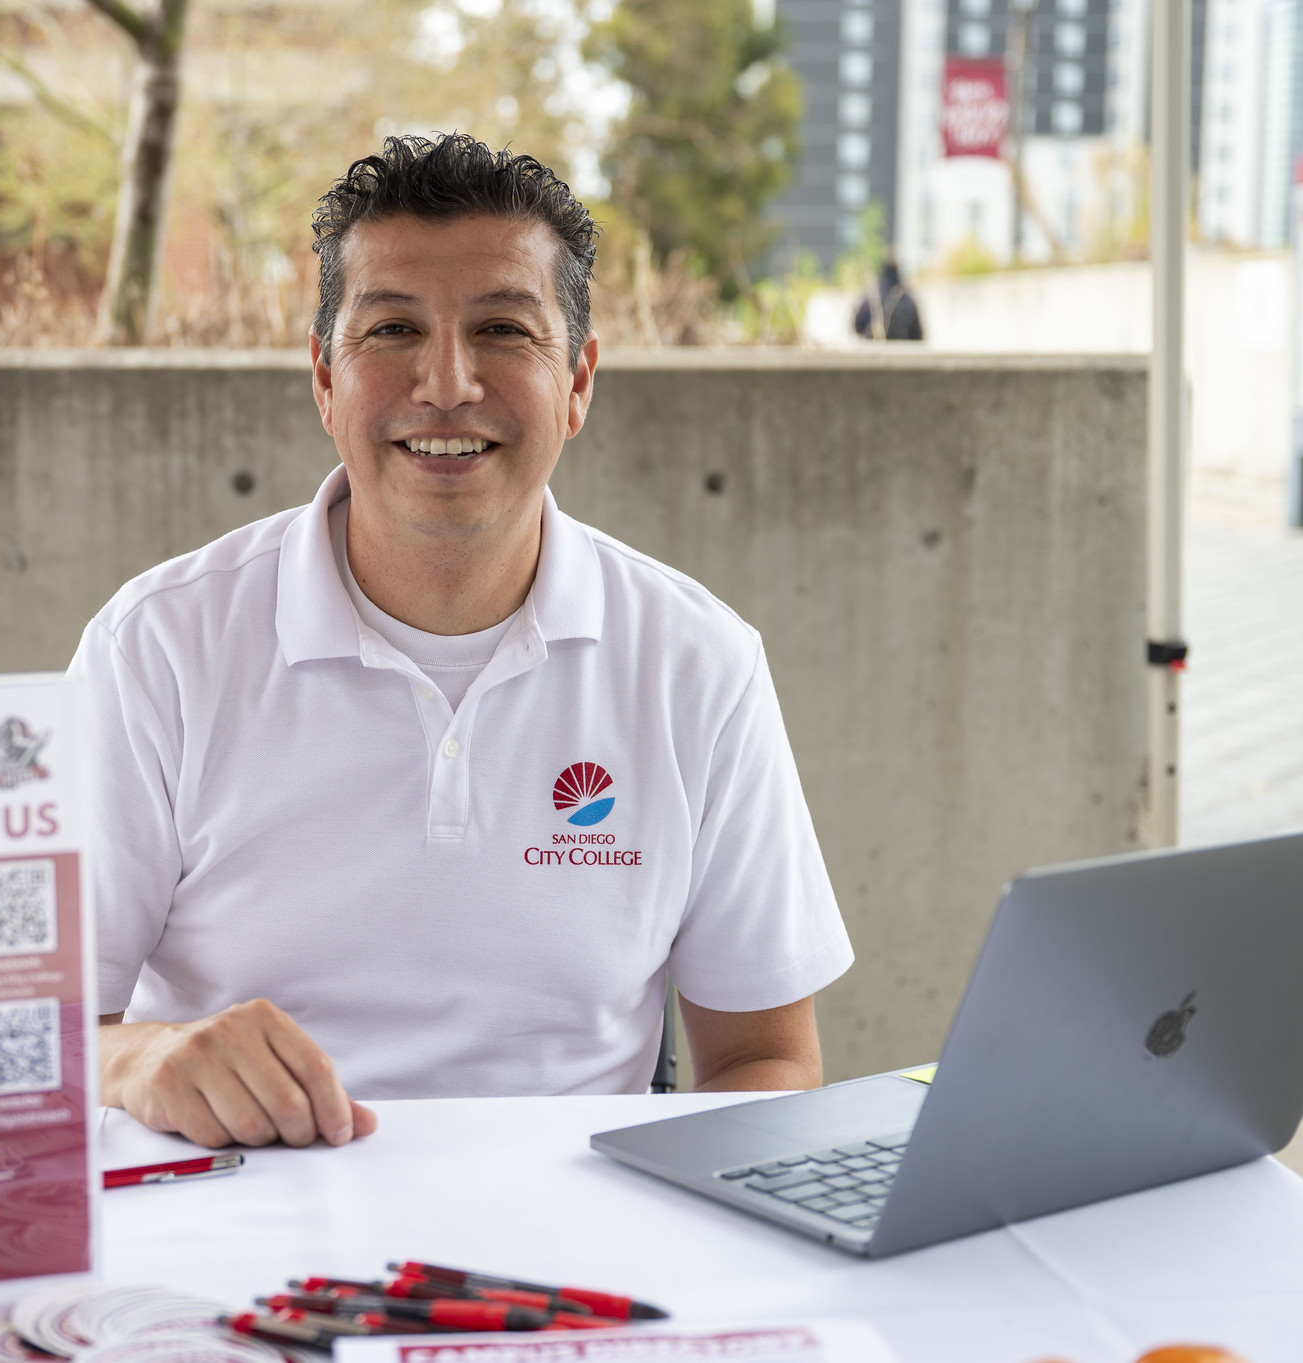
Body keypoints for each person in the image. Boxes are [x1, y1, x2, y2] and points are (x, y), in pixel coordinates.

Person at [72, 133, 852, 1152]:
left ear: (576, 381)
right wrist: (141, 1059)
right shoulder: (157, 649)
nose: (444, 382)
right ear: (323, 378)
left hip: (579, 1262)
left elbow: (764, 1054)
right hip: (238, 1241)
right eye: (392, 328)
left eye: (502, 330)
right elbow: (16, 1040)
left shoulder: (696, 661)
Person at [853, 258, 922, 341]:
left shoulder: (871, 297)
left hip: (874, 350)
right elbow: (918, 335)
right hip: (901, 351)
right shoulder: (908, 300)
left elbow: (857, 327)